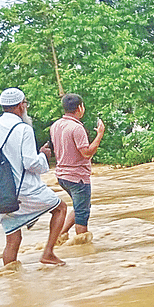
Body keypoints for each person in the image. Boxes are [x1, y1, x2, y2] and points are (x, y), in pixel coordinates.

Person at [0, 88, 67, 266]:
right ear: (21, 106)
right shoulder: (23, 129)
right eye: (25, 104)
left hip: (0, 193)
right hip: (24, 189)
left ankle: (10, 278)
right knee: (60, 208)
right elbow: (31, 164)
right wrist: (43, 155)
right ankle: (48, 253)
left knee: (13, 239)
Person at [50, 93, 105, 241]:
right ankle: (82, 247)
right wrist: (99, 134)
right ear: (80, 108)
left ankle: (60, 234)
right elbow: (86, 153)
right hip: (78, 178)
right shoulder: (76, 128)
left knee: (80, 206)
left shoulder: (55, 125)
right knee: (82, 214)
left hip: (61, 176)